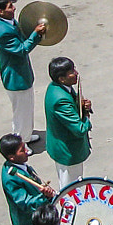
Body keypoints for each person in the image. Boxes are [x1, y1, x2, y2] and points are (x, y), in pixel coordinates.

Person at [0, 0, 48, 145]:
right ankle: (21, 141)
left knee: (26, 108)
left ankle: (26, 135)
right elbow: (22, 49)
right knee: (21, 111)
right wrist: (35, 34)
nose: (14, 8)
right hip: (16, 78)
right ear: (1, 11)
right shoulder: (2, 32)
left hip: (22, 74)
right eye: (10, 6)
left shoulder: (10, 23)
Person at [42, 57, 91, 189]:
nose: (76, 73)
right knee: (71, 188)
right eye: (71, 72)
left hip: (61, 147)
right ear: (61, 78)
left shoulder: (57, 88)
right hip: (68, 151)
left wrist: (80, 106)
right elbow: (80, 129)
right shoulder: (61, 100)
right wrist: (86, 116)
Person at [0, 134, 53, 225]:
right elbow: (25, 203)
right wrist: (44, 197)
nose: (27, 151)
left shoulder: (20, 165)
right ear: (11, 157)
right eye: (22, 150)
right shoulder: (11, 179)